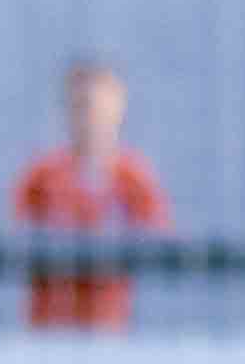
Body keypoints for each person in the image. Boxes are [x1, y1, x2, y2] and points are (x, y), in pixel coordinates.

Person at [9, 58, 168, 330]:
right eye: (81, 106)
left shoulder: (134, 179)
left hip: (109, 327)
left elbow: (157, 242)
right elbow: (15, 241)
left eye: (99, 107)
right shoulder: (42, 176)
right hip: (49, 327)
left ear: (118, 109)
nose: (91, 118)